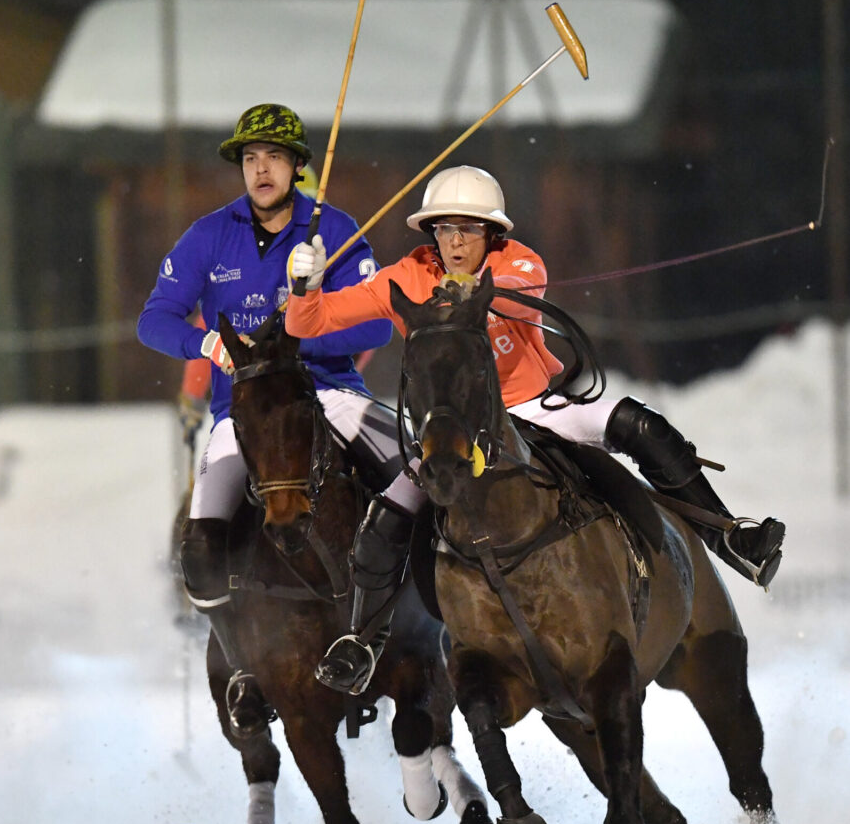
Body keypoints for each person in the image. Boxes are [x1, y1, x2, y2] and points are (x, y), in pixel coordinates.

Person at [285, 164, 785, 696]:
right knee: (387, 513)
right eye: (444, 229)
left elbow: (507, 291)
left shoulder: (520, 262)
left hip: (537, 408)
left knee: (641, 423)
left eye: (469, 229)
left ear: (492, 233)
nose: (455, 242)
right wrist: (304, 287)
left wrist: (458, 292)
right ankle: (362, 641)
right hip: (452, 433)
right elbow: (307, 325)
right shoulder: (407, 274)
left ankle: (729, 539)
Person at [137, 103, 397, 735]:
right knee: (200, 544)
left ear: (298, 167)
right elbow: (155, 318)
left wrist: (307, 314)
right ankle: (242, 664)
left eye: (274, 158)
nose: (261, 170)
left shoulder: (332, 230)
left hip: (329, 392)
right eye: (250, 159)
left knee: (414, 474)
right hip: (242, 412)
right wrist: (205, 345)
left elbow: (379, 320)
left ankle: (411, 626)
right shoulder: (208, 236)